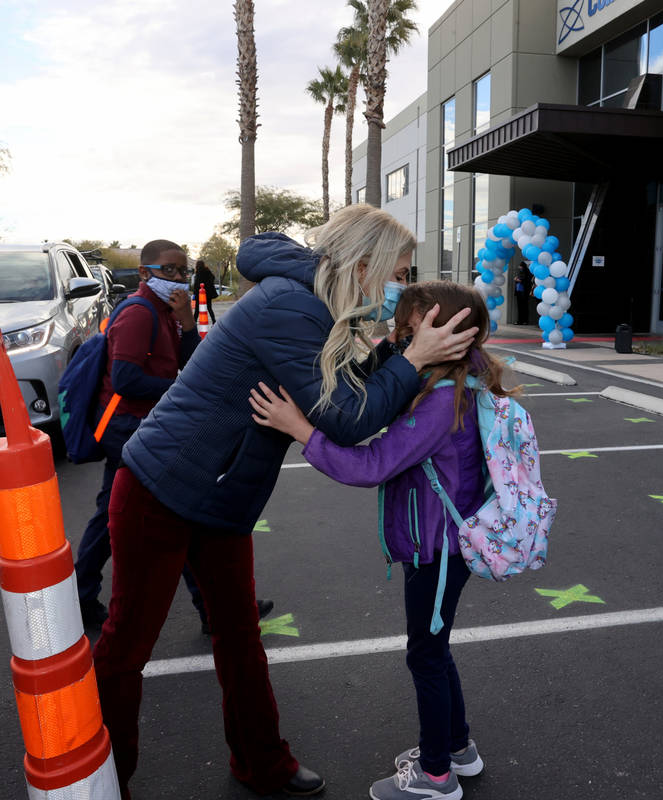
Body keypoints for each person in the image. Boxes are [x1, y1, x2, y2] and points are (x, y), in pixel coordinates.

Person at [91, 205, 479, 799]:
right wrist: (413, 360)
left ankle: (262, 763)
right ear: (366, 264)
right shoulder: (291, 307)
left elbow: (342, 387)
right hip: (161, 489)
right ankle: (98, 778)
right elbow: (347, 420)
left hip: (221, 498)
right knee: (127, 644)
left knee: (240, 634)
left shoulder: (320, 305)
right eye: (399, 271)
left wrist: (397, 353)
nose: (402, 284)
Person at [249, 281, 507, 800]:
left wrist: (301, 429)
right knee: (434, 649)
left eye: (409, 326)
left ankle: (437, 777)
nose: (398, 333)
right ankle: (458, 749)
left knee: (426, 656)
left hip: (436, 549)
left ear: (445, 331)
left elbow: (372, 465)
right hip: (443, 542)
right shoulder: (461, 380)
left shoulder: (440, 402)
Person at [73, 240, 202, 627]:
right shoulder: (139, 314)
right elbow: (127, 380)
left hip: (143, 425)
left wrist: (188, 321)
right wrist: (181, 392)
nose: (178, 278)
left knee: (117, 513)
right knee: (170, 510)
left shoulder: (166, 312)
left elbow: (189, 364)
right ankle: (212, 607)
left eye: (183, 270)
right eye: (169, 270)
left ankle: (80, 595)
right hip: (127, 428)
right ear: (145, 273)